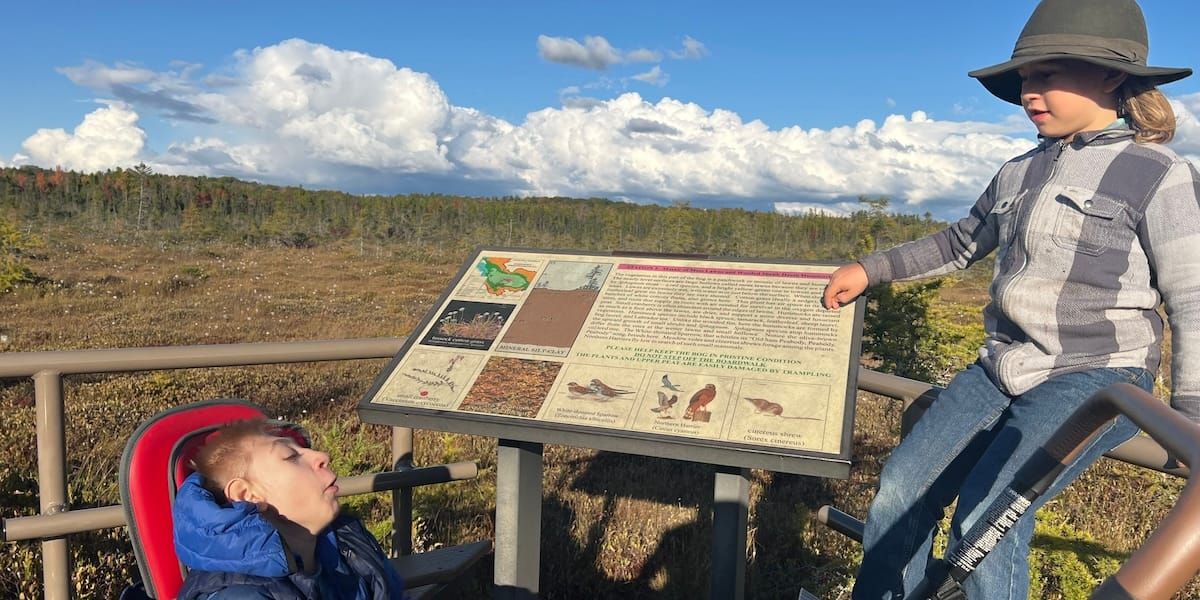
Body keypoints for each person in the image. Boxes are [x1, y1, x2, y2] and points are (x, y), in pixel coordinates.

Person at [821, 0, 1198, 598]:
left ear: (1110, 76)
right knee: (899, 488)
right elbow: (960, 242)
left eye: (1046, 74)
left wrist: (1189, 416)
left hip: (1094, 377)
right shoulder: (1017, 171)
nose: (1029, 91)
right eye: (1025, 77)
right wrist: (870, 269)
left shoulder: (1159, 172)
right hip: (1001, 365)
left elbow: (1193, 296)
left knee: (987, 517)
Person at [172, 419, 407, 599]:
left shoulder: (349, 541)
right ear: (247, 495)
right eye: (291, 456)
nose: (322, 456)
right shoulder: (238, 595)